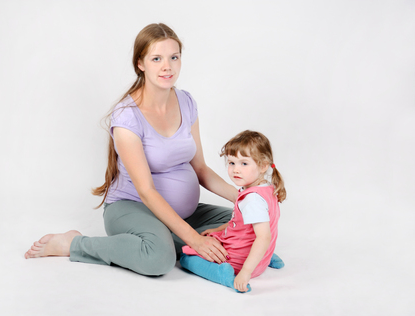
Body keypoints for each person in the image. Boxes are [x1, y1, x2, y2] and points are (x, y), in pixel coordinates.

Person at [24, 23, 283, 277]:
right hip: (132, 207)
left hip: (185, 212)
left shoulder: (186, 102)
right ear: (141, 63)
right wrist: (195, 239)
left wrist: (248, 198)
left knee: (246, 221)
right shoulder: (127, 118)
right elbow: (146, 192)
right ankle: (73, 244)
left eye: (174, 57)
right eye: (156, 58)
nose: (167, 66)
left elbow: (201, 169)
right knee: (159, 258)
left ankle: (180, 239)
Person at [180, 130, 286, 293]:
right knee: (214, 235)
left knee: (186, 258)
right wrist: (218, 230)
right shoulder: (266, 189)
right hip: (259, 263)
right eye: (231, 163)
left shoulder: (252, 200)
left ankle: (223, 274)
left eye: (244, 163)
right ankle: (267, 256)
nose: (236, 170)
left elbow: (263, 237)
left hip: (240, 263)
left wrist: (245, 273)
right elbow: (243, 224)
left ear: (263, 165)